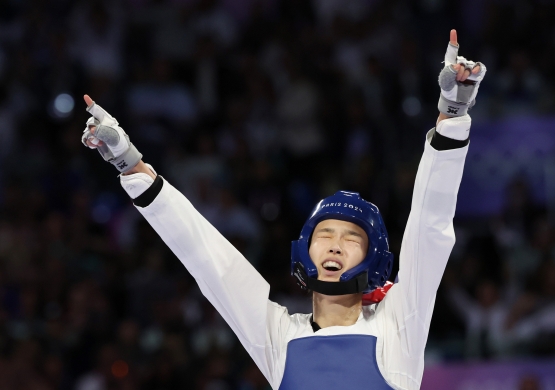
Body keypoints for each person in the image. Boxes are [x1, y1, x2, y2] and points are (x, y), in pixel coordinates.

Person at [81, 30, 486, 390]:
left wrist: (452, 115)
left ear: (373, 257)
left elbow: (429, 228)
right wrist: (131, 166)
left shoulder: (399, 323)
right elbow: (210, 262)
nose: (335, 245)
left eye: (351, 238)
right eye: (325, 234)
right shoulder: (278, 336)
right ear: (304, 251)